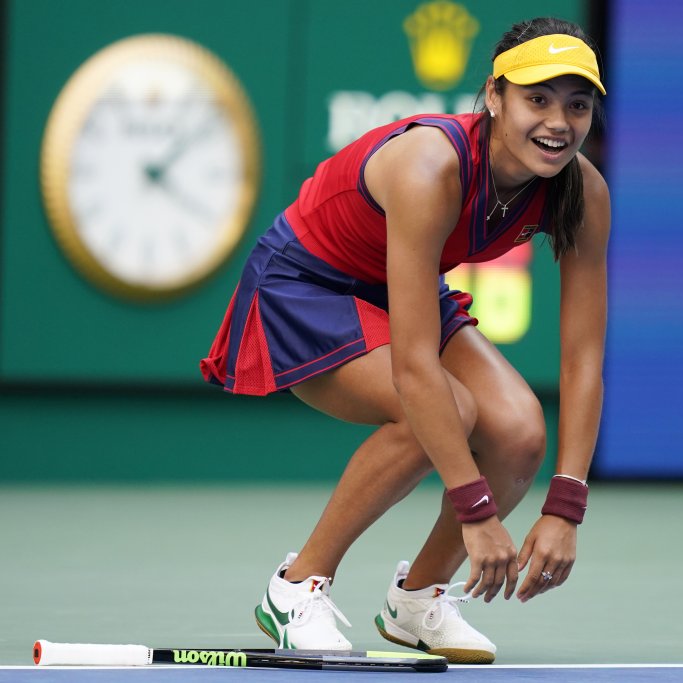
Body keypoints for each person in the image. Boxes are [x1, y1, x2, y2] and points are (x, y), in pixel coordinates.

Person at [200, 17, 609, 665]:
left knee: (520, 430)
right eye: (538, 99)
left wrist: (566, 505)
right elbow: (417, 371)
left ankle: (417, 600)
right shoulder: (431, 166)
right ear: (494, 96)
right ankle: (296, 585)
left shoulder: (581, 190)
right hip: (305, 284)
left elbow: (583, 358)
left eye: (577, 105)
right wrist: (478, 513)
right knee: (441, 409)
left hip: (398, 289)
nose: (558, 122)